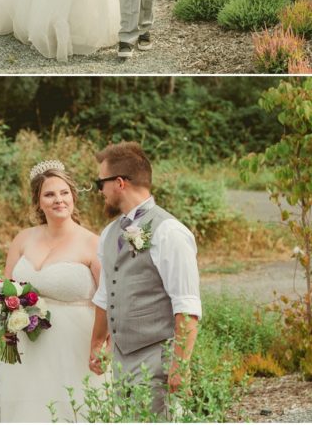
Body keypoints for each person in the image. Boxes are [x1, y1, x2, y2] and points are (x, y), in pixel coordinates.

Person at [88, 142, 201, 417]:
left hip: (157, 357)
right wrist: (96, 343)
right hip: (121, 357)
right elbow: (105, 293)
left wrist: (180, 366)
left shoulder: (169, 231)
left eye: (99, 183)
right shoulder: (109, 233)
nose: (99, 191)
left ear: (119, 183)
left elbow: (186, 305)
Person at [0, 161, 106, 422]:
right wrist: (4, 320)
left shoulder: (93, 244)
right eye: (50, 194)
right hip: (28, 347)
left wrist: (103, 344)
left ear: (73, 196)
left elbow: (109, 301)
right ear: (38, 202)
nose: (59, 200)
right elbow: (5, 289)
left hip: (75, 347)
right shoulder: (23, 238)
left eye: (64, 193)